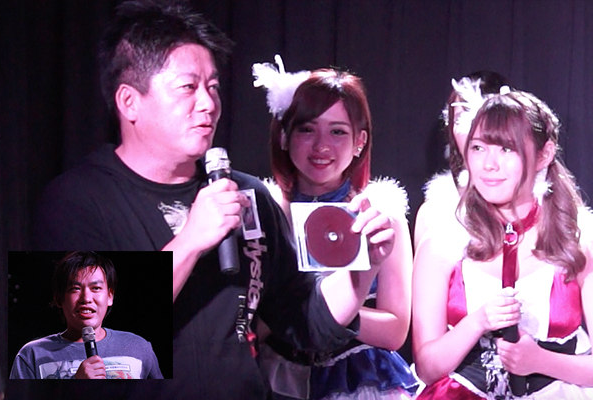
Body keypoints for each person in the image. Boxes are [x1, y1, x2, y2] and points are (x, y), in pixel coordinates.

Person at [31, 1, 383, 398]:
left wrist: (363, 268)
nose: (208, 104)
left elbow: (303, 320)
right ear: (129, 101)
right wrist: (189, 241)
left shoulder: (246, 195)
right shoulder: (73, 202)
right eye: (188, 87)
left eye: (213, 87)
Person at [253, 59, 418, 399]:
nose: (322, 146)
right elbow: (246, 324)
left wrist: (329, 311)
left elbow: (395, 331)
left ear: (360, 141)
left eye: (338, 131)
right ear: (284, 136)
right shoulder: (263, 214)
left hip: (358, 380)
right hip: (278, 377)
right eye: (307, 129)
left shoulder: (380, 216)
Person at [412, 90, 593, 398]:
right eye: (478, 148)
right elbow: (427, 368)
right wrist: (478, 321)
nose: (488, 164)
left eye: (507, 149)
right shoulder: (441, 243)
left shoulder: (577, 242)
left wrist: (540, 360)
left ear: (544, 154)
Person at [10, 251, 163, 379]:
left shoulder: (137, 348)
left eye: (96, 288)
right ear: (59, 298)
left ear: (110, 296)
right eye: (75, 289)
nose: (86, 298)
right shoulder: (32, 355)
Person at [413, 71, 508, 249]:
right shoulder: (432, 214)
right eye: (460, 118)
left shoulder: (535, 206)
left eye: (480, 116)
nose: (473, 130)